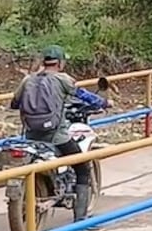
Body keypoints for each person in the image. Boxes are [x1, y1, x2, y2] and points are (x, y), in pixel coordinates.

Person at [8, 44, 108, 221]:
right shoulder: (63, 79)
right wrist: (104, 103)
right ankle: (80, 218)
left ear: (43, 61)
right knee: (82, 167)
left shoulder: (28, 80)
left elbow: (15, 103)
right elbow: (83, 95)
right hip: (56, 136)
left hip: (31, 136)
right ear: (60, 63)